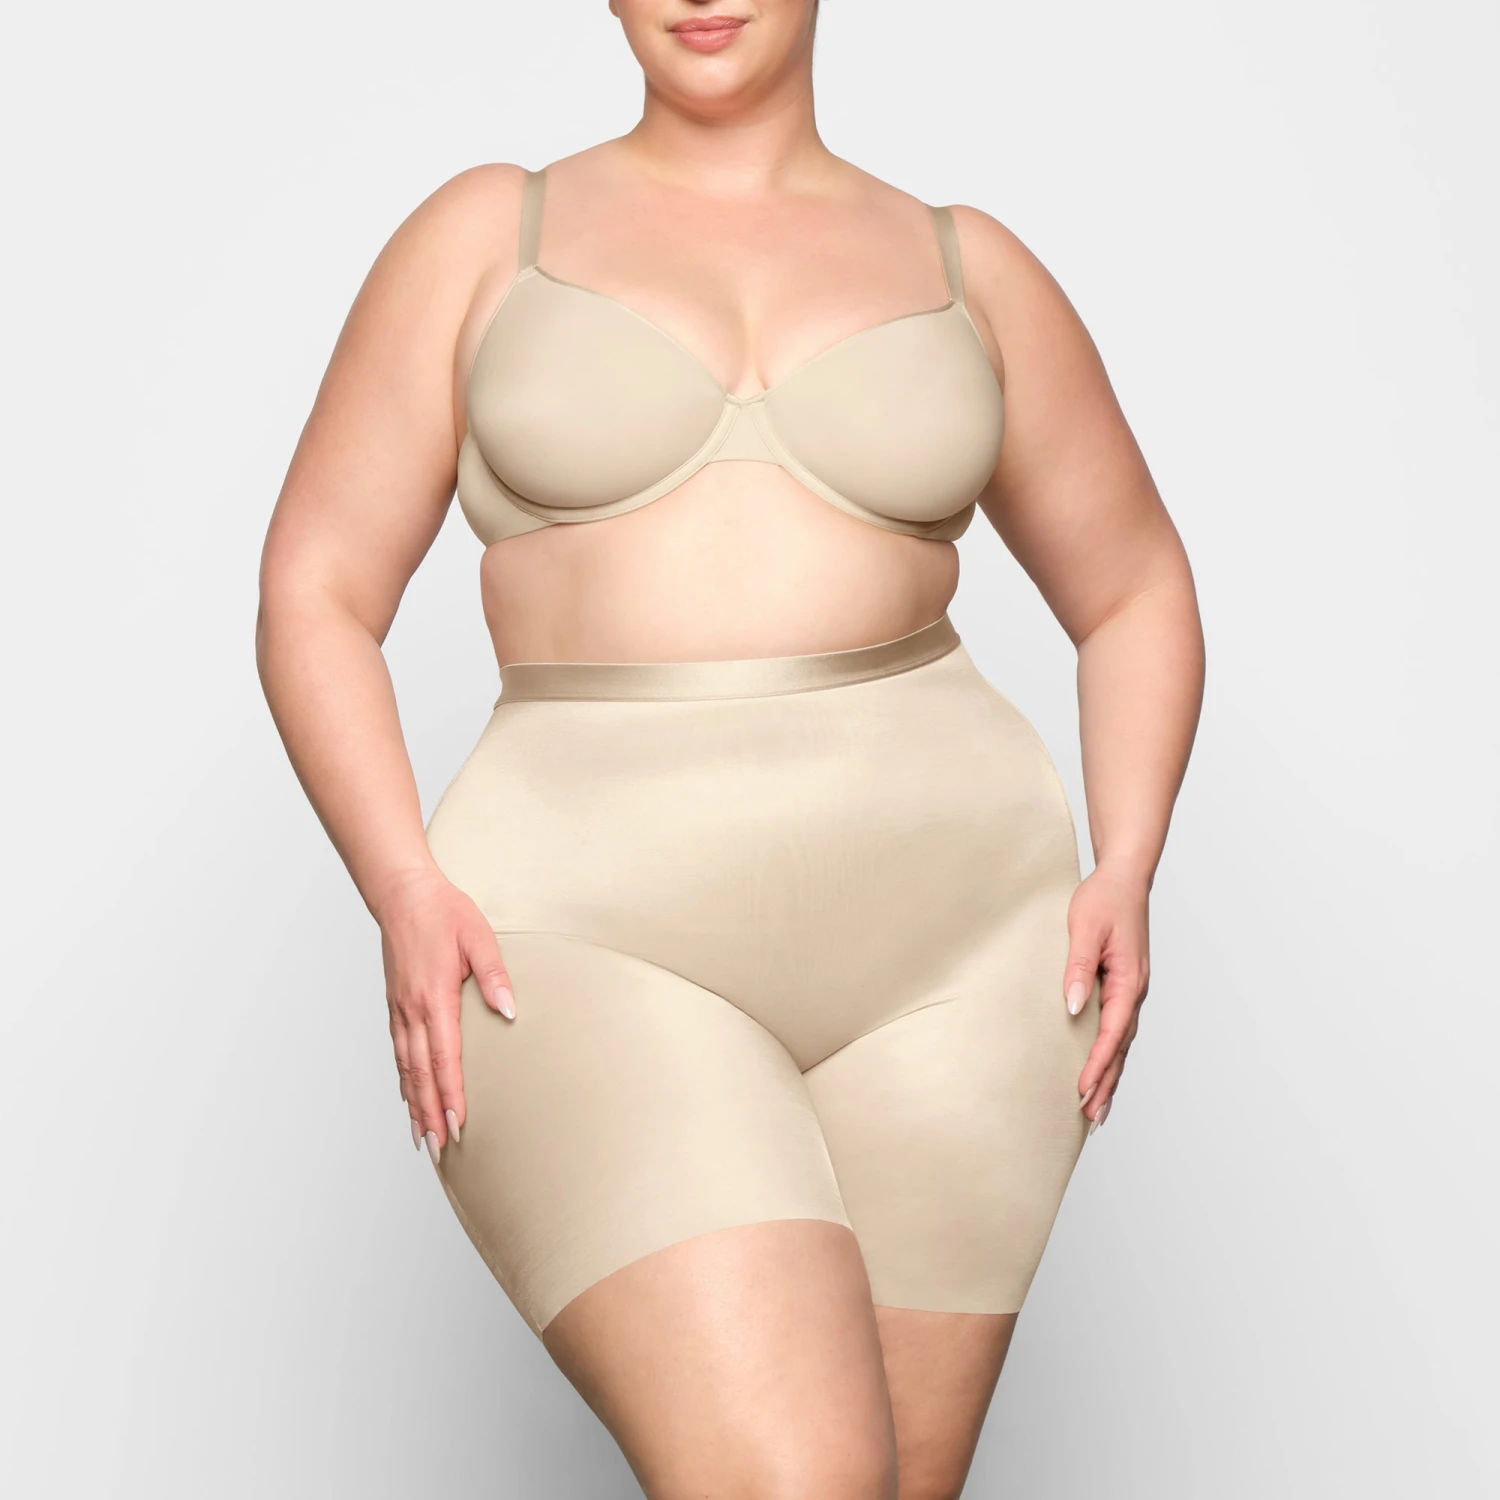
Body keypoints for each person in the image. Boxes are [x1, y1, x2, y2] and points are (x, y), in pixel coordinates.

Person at [256, 2, 1204, 1494]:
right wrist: (402, 883)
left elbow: (1136, 584)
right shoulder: (484, 239)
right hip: (577, 937)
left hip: (962, 958)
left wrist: (1128, 858)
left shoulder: (971, 267)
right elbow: (315, 590)